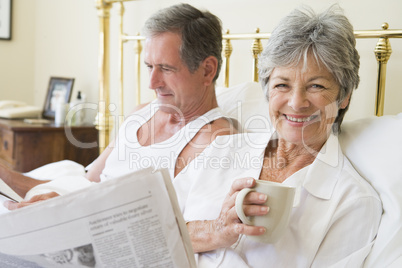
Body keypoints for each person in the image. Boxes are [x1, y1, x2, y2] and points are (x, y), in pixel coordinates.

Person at [172, 5, 382, 267]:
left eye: (316, 86)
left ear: (344, 96)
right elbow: (153, 227)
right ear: (268, 91)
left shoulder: (352, 202)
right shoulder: (223, 148)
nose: (296, 103)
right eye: (282, 84)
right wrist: (215, 230)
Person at [1, 3, 237, 210]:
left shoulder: (216, 140)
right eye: (149, 67)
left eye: (166, 68)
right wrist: (9, 178)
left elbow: (181, 227)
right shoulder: (140, 114)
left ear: (208, 70)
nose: (152, 83)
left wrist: (69, 210)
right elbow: (87, 182)